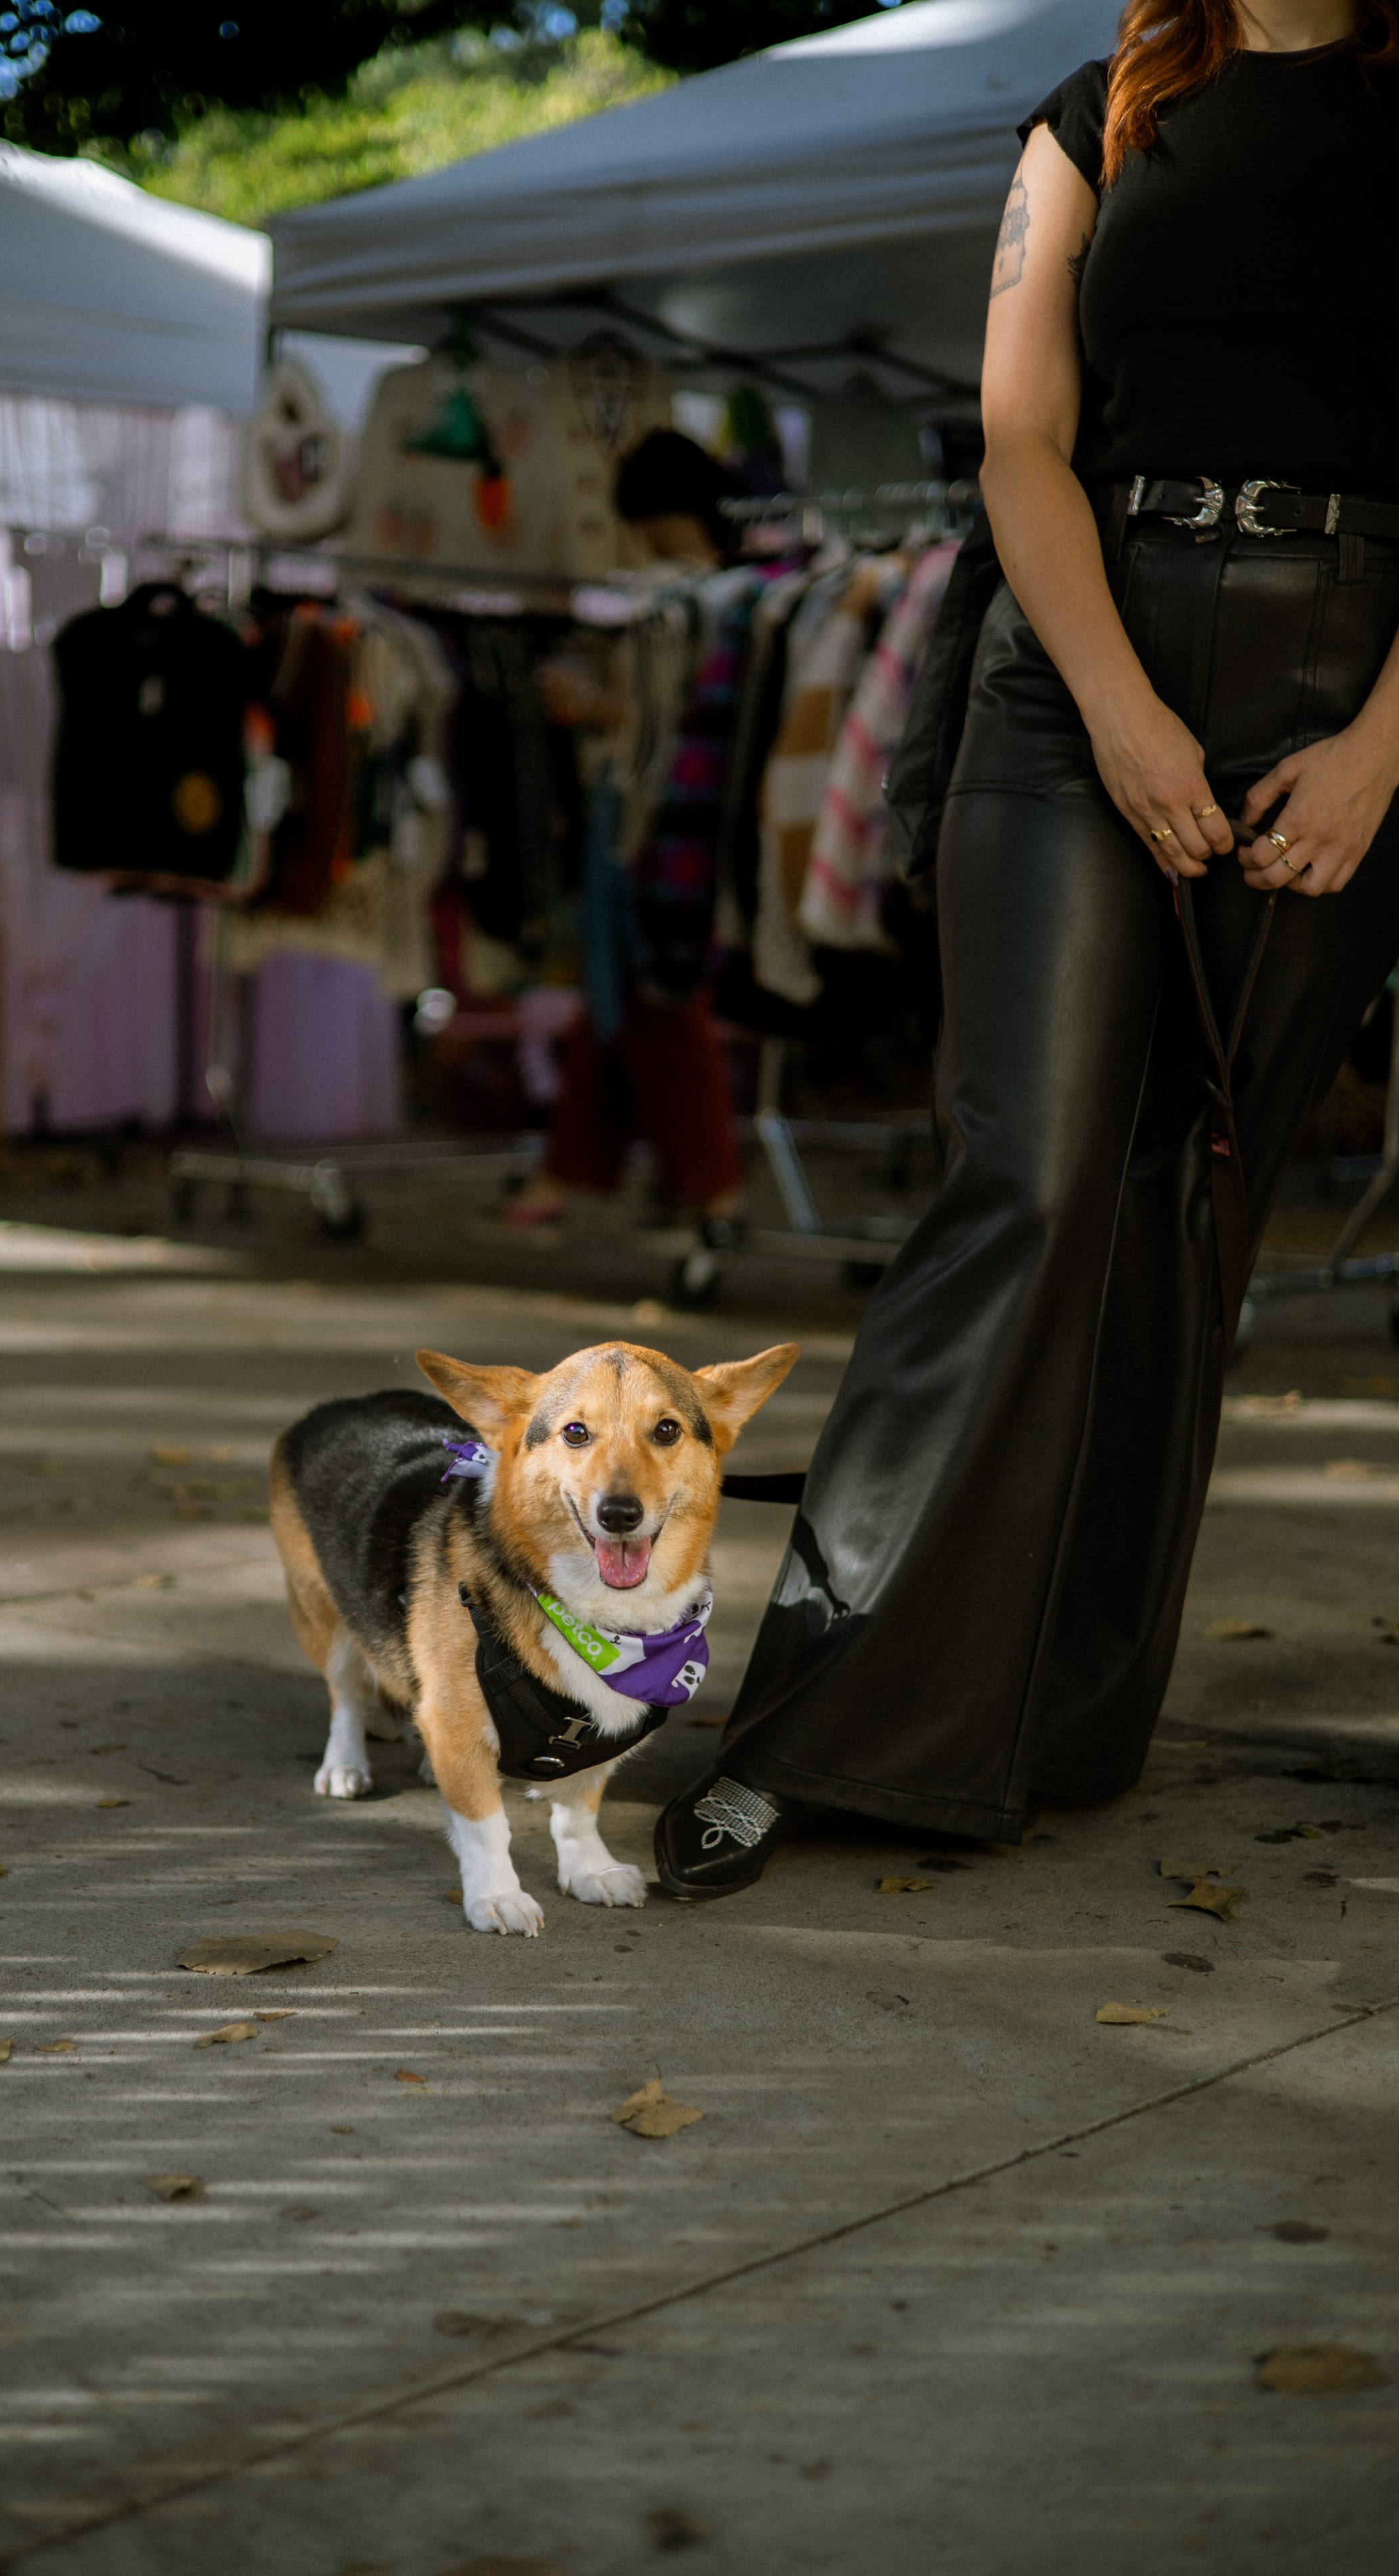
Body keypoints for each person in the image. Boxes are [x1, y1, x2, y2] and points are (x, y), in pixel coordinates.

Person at [655, 0, 1399, 1896]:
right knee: (1029, 1184)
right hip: (1080, 668)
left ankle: (1061, 1717)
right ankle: (821, 1715)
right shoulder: (1109, 105)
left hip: (1347, 690)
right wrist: (1125, 710)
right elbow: (1016, 434)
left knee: (1187, 1211)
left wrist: (1391, 747)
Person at [501, 430, 746, 1237]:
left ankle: (711, 1189)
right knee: (620, 999)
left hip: (661, 823)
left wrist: (592, 704)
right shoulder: (717, 597)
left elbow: (670, 729)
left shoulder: (689, 605)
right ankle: (581, 1173)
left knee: (656, 998)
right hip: (659, 819)